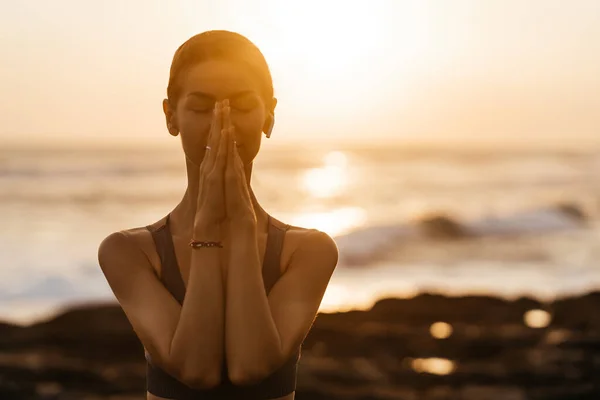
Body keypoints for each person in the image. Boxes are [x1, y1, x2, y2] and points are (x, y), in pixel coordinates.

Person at [97, 30, 339, 400]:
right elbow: (196, 370)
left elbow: (250, 366)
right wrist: (207, 228)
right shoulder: (128, 252)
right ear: (170, 116)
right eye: (200, 107)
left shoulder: (308, 251)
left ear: (269, 114)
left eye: (241, 105)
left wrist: (243, 231)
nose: (221, 123)